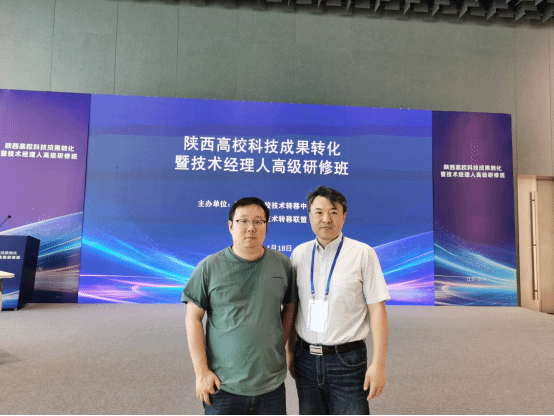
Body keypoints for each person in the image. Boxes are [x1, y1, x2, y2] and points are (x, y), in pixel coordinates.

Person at [182, 197, 297, 415]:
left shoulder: (282, 264)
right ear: (230, 226)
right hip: (223, 385)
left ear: (266, 226)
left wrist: (278, 344)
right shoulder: (209, 267)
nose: (251, 228)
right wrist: (201, 372)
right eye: (243, 221)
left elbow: (290, 307)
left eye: (258, 221)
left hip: (271, 385)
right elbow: (193, 317)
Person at [288, 186, 390, 415]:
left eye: (333, 212)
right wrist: (291, 353)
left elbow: (377, 309)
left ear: (344, 216)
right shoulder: (299, 255)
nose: (326, 219)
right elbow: (293, 309)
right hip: (305, 359)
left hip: (347, 361)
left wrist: (379, 365)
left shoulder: (363, 253)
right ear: (309, 216)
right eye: (319, 212)